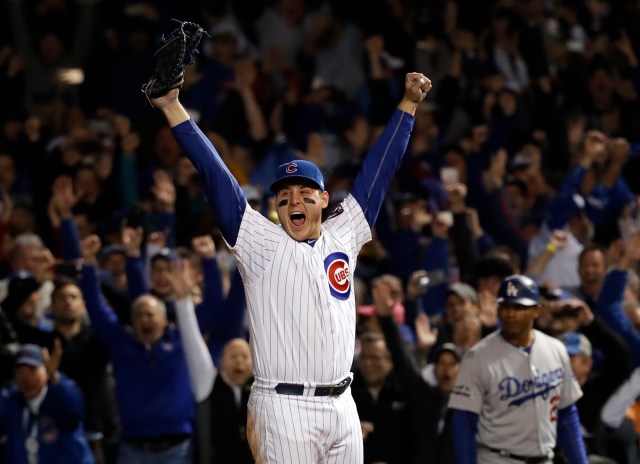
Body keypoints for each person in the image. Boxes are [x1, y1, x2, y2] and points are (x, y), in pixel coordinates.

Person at [150, 71, 432, 462]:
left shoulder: (344, 233)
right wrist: (172, 107)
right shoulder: (260, 243)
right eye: (284, 196)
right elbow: (216, 175)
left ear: (323, 199)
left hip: (343, 403)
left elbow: (379, 171)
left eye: (303, 193)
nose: (292, 200)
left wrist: (408, 107)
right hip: (284, 406)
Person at [79, 235, 215, 464]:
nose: (145, 319)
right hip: (133, 447)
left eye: (151, 314)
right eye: (139, 315)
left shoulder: (182, 341)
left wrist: (209, 262)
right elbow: (96, 310)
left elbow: (212, 306)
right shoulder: (122, 345)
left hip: (178, 447)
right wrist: (89, 265)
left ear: (164, 320)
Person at [448, 274, 588, 463]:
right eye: (505, 306)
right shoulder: (477, 357)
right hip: (497, 458)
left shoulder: (556, 350)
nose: (510, 314)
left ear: (537, 310)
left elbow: (566, 414)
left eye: (519, 307)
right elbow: (463, 423)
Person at [0, 342, 94, 464]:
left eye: (32, 370)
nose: (27, 379)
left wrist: (55, 377)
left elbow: (74, 409)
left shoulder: (61, 395)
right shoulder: (12, 401)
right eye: (21, 372)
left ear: (46, 370)